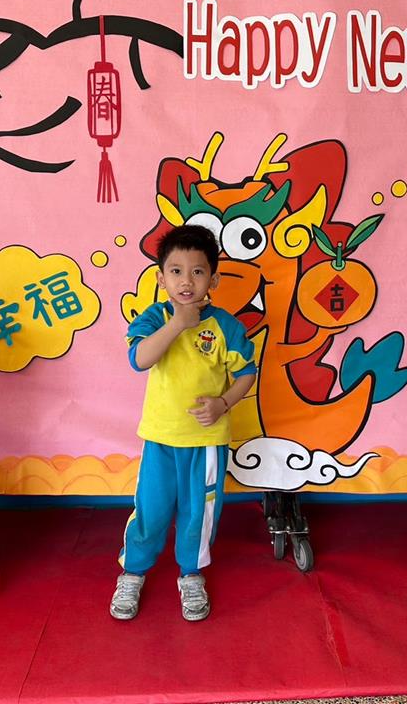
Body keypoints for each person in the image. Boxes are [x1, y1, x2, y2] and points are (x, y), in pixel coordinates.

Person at [110, 224, 256, 622]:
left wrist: (224, 403)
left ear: (214, 279)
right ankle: (133, 571)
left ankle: (191, 573)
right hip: (160, 438)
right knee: (150, 509)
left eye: (197, 271)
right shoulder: (154, 318)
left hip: (206, 442)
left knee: (198, 514)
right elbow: (140, 359)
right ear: (161, 278)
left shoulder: (226, 326)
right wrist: (178, 323)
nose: (186, 281)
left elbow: (246, 372)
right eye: (176, 271)